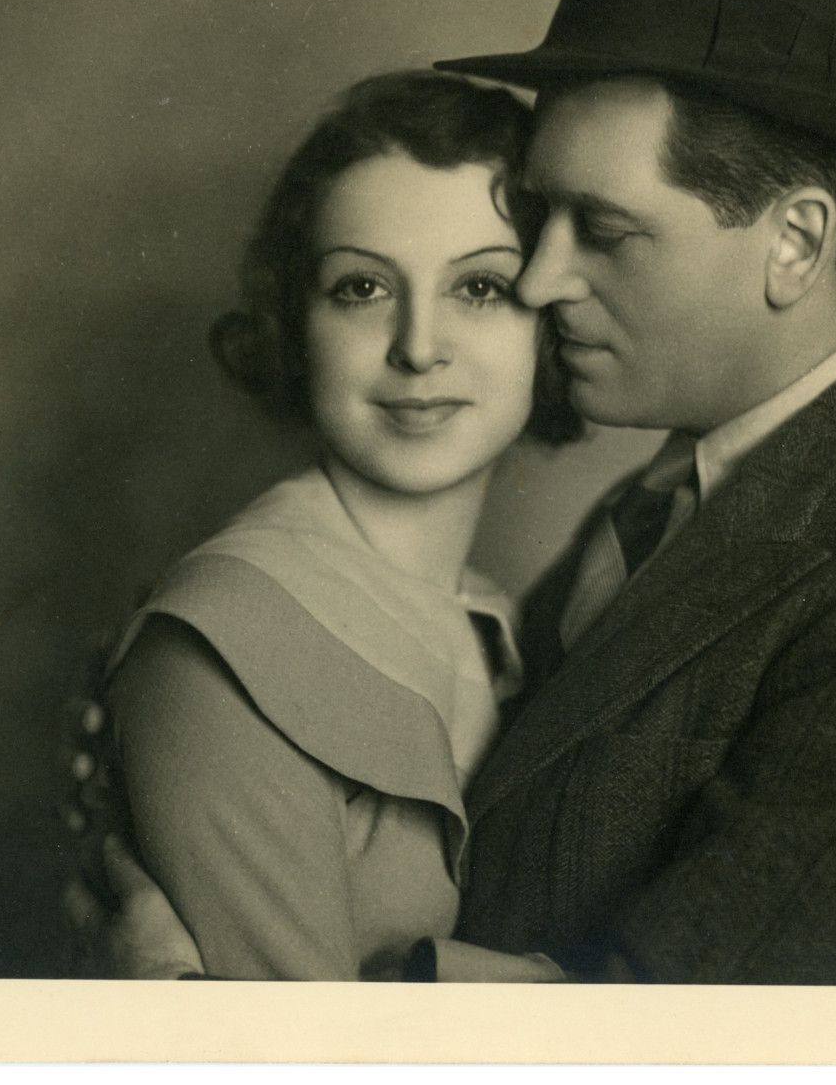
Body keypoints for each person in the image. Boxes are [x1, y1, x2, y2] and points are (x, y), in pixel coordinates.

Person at [78, 0, 836, 985]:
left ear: (795, 243)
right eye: (541, 220)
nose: (542, 280)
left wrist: (213, 1001)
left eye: (600, 230)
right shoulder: (661, 500)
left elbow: (668, 1049)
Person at [89, 71, 583, 981]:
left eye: (479, 287)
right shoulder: (225, 645)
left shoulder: (497, 621)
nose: (419, 344)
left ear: (551, 320)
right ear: (295, 322)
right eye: (360, 288)